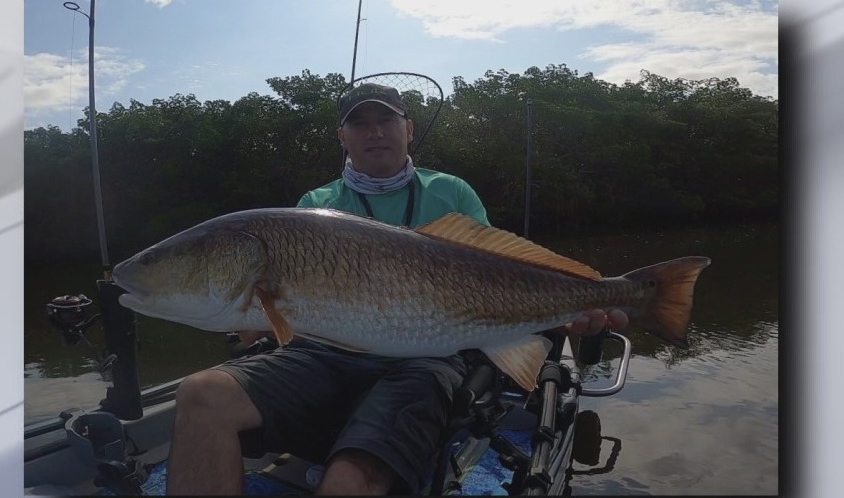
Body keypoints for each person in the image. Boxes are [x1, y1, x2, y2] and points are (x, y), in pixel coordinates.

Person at [165, 83, 629, 495]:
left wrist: (580, 300)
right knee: (201, 392)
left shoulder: (451, 192)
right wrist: (255, 319)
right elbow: (279, 318)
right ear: (343, 138)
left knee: (348, 482)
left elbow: (503, 274)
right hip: (322, 355)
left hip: (426, 358)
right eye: (359, 124)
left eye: (385, 120)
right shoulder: (315, 206)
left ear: (408, 129)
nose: (375, 132)